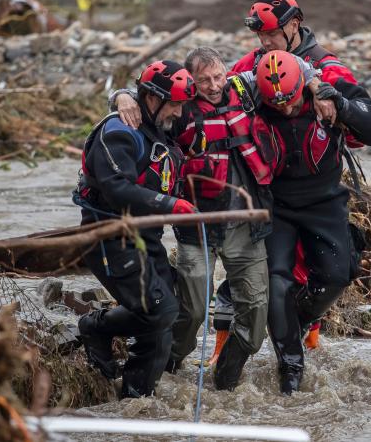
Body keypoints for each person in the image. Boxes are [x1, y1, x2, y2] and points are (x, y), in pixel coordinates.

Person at [110, 48, 330, 391]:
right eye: (203, 81)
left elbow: (294, 64)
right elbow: (141, 96)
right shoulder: (178, 107)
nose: (214, 86)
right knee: (193, 312)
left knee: (255, 316)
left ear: (226, 72)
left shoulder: (245, 88)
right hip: (197, 226)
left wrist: (318, 86)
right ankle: (167, 368)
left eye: (218, 76)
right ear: (190, 82)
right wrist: (121, 95)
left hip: (247, 225)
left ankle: (225, 380)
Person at [252, 50, 371, 394]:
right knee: (276, 280)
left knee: (337, 274)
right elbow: (199, 91)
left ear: (303, 85)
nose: (284, 109)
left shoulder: (330, 88)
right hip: (277, 203)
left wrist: (341, 105)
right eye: (276, 104)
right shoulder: (248, 90)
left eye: (290, 101)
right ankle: (290, 364)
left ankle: (295, 322)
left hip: (325, 199)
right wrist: (123, 96)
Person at [74, 60, 197, 399]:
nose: (179, 111)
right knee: (161, 310)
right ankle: (94, 327)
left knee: (167, 318)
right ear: (153, 99)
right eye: (173, 103)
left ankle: (136, 398)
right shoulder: (119, 131)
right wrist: (171, 205)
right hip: (109, 235)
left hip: (146, 236)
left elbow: (217, 97)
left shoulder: (161, 124)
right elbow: (117, 188)